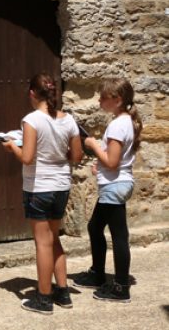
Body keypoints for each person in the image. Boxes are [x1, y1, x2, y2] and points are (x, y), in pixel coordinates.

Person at [3, 73, 83, 315]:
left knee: (42, 243)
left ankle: (44, 297)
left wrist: (11, 147)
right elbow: (77, 157)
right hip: (61, 186)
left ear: (31, 94)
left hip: (39, 187)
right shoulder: (68, 120)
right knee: (54, 239)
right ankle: (63, 291)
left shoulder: (32, 120)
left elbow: (27, 158)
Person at [73, 78, 142, 303]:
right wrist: (99, 162)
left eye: (104, 97)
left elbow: (112, 162)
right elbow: (114, 159)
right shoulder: (123, 121)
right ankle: (98, 273)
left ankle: (120, 287)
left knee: (119, 236)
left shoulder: (117, 125)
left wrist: (93, 146)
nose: (100, 100)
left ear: (118, 100)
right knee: (95, 227)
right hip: (117, 183)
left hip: (115, 185)